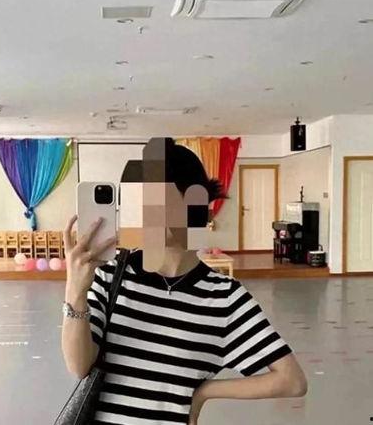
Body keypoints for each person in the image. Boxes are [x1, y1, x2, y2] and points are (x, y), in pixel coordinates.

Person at [61, 138, 307, 425]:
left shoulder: (225, 298)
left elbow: (292, 380)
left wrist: (205, 392)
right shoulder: (110, 274)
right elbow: (79, 366)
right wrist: (75, 291)